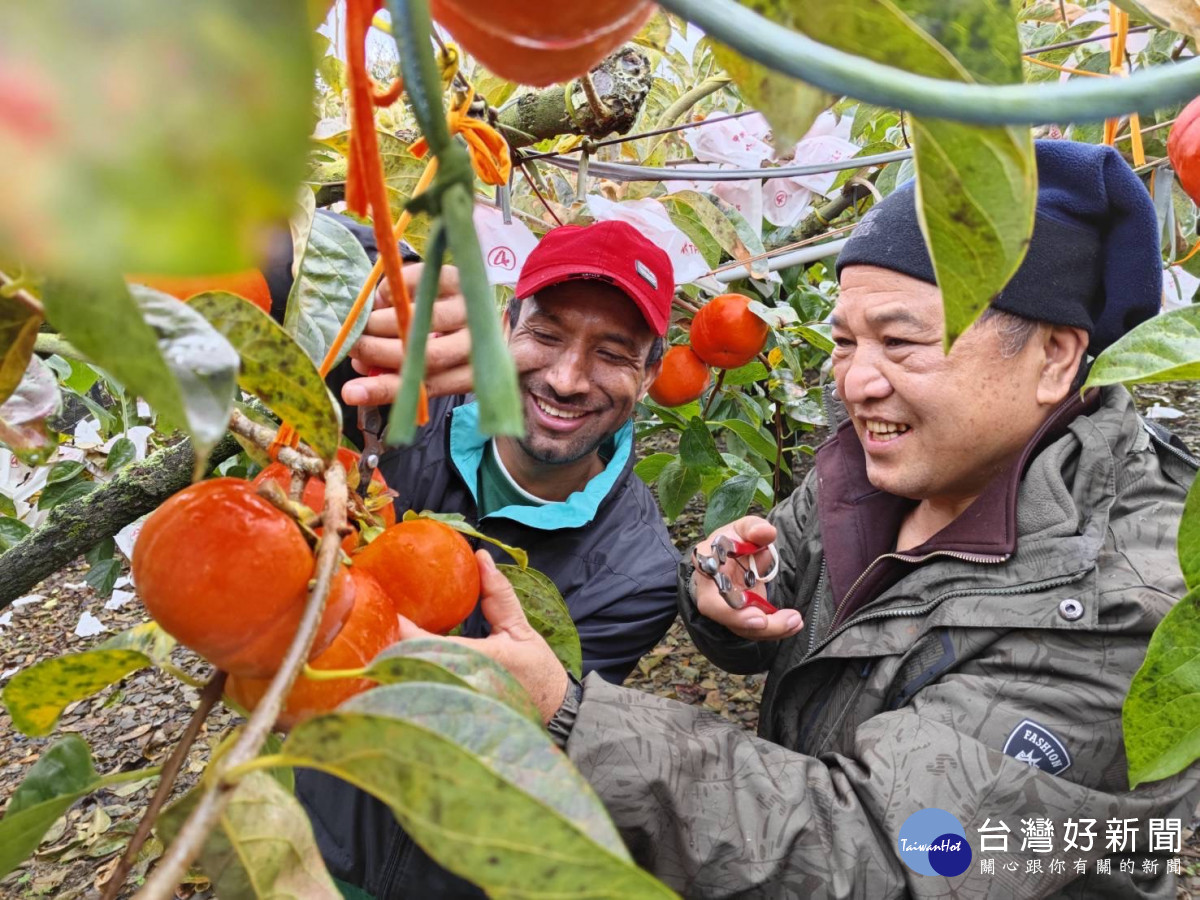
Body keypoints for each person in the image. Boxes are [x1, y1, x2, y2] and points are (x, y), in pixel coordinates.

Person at [399, 140, 1200, 898]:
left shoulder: (1125, 601)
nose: (857, 381)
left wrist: (566, 715)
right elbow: (781, 598)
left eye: (901, 341)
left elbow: (890, 851)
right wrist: (724, 595)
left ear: (1056, 356)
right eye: (847, 342)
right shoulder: (876, 474)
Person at [295, 220, 683, 897]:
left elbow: (504, 742)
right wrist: (384, 275)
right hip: (312, 838)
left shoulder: (639, 573)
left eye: (613, 353)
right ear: (504, 326)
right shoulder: (400, 410)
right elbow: (292, 276)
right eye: (548, 335)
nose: (567, 378)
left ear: (651, 375)